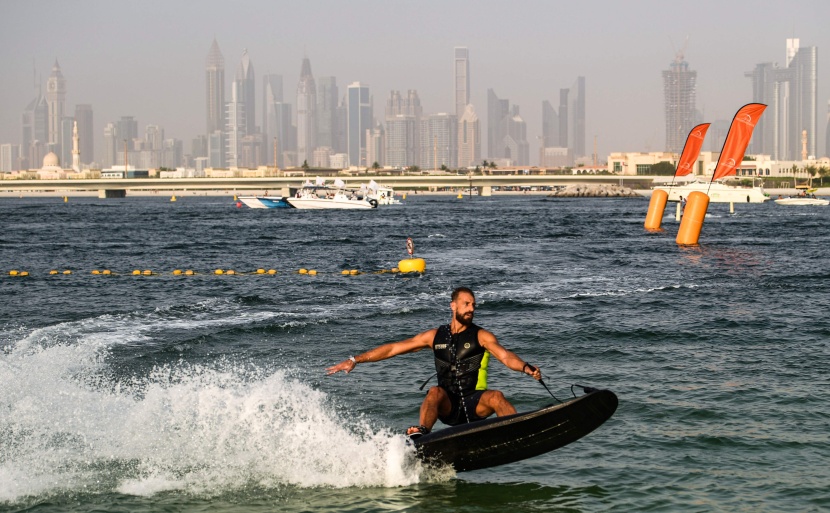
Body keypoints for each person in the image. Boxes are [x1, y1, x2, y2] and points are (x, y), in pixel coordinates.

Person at [326, 287, 542, 438]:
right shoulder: (435, 336)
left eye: (473, 305)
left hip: (474, 403)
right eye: (466, 304)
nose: (471, 309)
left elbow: (505, 356)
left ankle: (516, 432)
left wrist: (525, 367)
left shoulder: (481, 336)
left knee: (496, 396)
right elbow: (393, 348)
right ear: (453, 306)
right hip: (448, 405)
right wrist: (355, 359)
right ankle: (422, 435)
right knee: (434, 392)